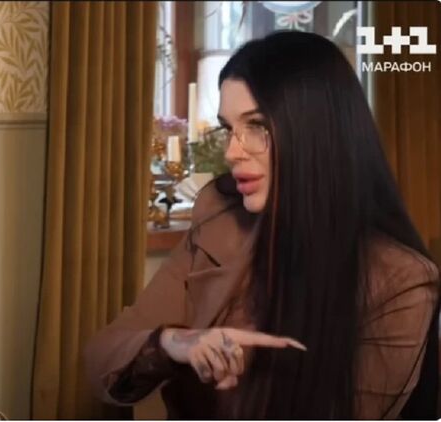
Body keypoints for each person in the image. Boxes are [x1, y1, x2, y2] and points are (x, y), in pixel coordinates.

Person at [84, 31, 440, 419]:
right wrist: (174, 342)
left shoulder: (402, 282)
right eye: (228, 128)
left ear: (316, 133)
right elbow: (103, 355)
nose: (231, 152)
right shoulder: (218, 217)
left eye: (257, 125)